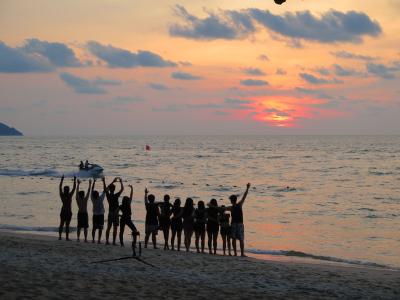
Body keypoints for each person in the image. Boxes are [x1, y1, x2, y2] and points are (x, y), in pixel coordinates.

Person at [226, 183, 251, 257]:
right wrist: (247, 188)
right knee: (241, 239)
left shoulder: (231, 207)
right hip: (239, 224)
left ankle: (235, 253)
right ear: (235, 200)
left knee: (234, 239)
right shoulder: (239, 205)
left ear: (231, 201)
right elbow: (244, 196)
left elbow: (222, 209)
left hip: (234, 224)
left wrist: (212, 206)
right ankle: (242, 253)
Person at [104, 177, 124, 245]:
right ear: (114, 189)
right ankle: (113, 242)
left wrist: (112, 181)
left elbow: (106, 189)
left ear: (110, 189)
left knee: (108, 227)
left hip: (110, 213)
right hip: (115, 213)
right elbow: (122, 189)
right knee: (115, 228)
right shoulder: (116, 196)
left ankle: (107, 241)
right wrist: (121, 181)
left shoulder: (108, 196)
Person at [119, 184, 139, 249]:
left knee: (121, 231)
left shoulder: (121, 205)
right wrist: (132, 188)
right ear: (127, 201)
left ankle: (122, 243)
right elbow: (131, 196)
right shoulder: (128, 204)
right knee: (135, 230)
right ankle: (134, 243)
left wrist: (120, 215)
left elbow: (116, 212)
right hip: (127, 219)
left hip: (123, 218)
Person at [58, 175, 76, 241]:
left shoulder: (62, 195)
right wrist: (74, 180)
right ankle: (67, 237)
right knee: (67, 225)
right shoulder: (69, 195)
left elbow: (59, 188)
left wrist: (62, 180)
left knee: (61, 224)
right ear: (68, 190)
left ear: (64, 190)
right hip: (68, 212)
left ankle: (60, 237)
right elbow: (74, 188)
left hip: (63, 211)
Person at [91, 178, 106, 243]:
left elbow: (91, 190)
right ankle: (99, 240)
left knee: (94, 228)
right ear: (98, 195)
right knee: (100, 228)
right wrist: (104, 181)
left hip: (95, 215)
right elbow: (105, 190)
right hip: (101, 215)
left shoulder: (92, 199)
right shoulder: (100, 198)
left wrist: (94, 182)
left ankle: (93, 240)